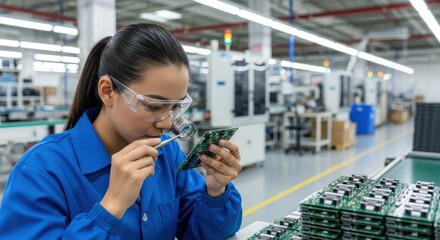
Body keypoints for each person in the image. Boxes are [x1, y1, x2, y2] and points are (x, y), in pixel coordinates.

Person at [0, 23, 243, 239]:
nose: (167, 123)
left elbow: (206, 232)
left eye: (175, 107)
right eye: (153, 106)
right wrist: (111, 207)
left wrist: (215, 191)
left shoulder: (167, 155)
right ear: (107, 92)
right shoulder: (42, 170)